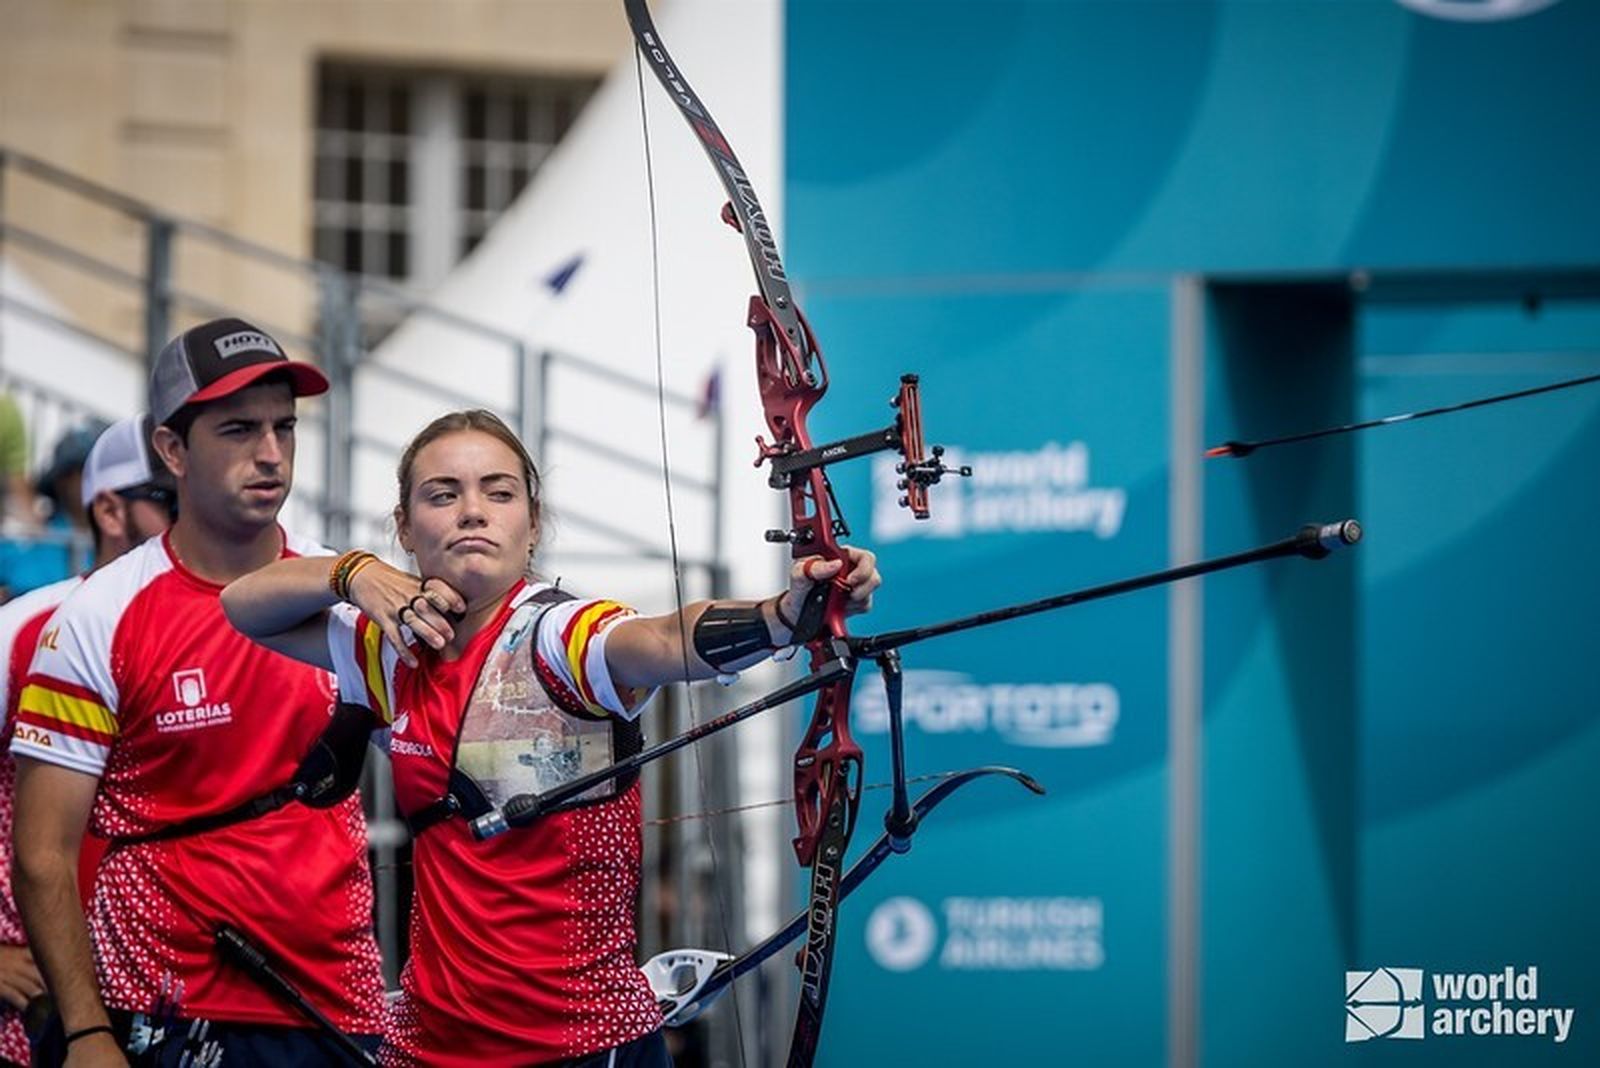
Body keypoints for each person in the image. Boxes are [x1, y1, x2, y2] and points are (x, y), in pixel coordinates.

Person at [220, 408, 881, 1066]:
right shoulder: (392, 646)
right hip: (431, 1047)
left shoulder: (561, 637)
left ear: (532, 524)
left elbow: (660, 638)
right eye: (442, 495)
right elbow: (244, 606)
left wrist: (780, 616)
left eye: (499, 493)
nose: (472, 512)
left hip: (584, 1045)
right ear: (405, 528)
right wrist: (352, 572)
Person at [12, 319, 385, 1066]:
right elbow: (42, 852)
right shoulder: (97, 613)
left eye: (284, 427)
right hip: (162, 1009)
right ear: (173, 450)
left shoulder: (349, 588)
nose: (271, 452)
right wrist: (86, 1031)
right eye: (239, 429)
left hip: (339, 1005)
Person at [0, 415, 177, 1067]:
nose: (192, 513)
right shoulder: (25, 628)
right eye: (168, 498)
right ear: (108, 510)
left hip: (187, 997)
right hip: (42, 1008)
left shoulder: (244, 624)